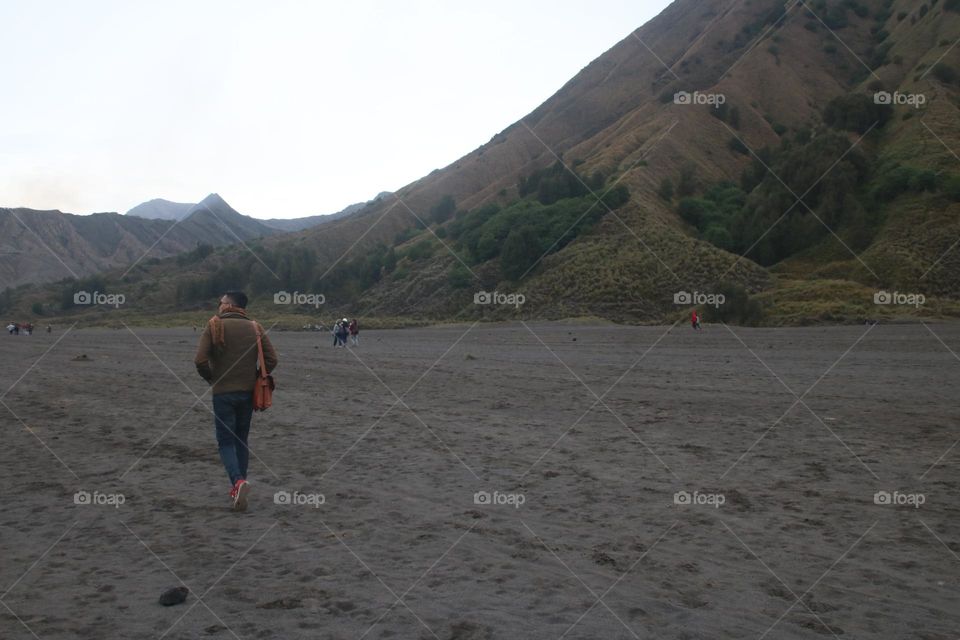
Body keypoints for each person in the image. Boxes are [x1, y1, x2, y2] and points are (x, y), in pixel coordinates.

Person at [194, 291, 278, 511]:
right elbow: (272, 359)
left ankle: (238, 482)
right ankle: (240, 486)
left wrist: (212, 378)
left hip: (223, 393)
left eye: (221, 302)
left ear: (229, 305)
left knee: (225, 441)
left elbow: (200, 360)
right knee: (241, 439)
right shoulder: (255, 327)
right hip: (247, 393)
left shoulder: (214, 324)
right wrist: (255, 376)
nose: (219, 305)